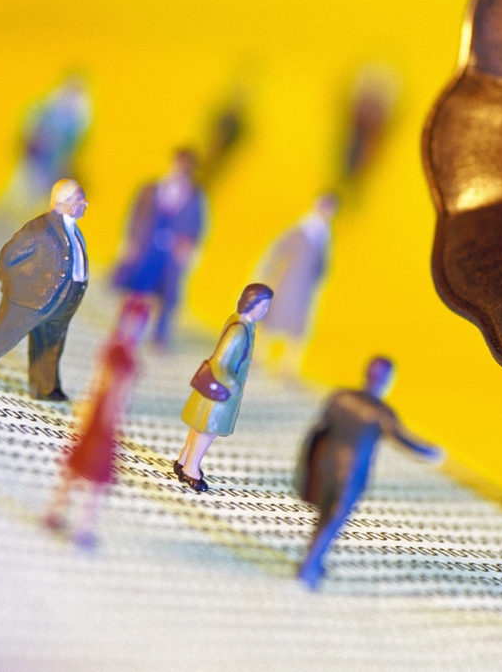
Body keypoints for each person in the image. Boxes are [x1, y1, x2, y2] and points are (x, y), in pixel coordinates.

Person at [295, 357, 443, 588]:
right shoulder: (380, 412)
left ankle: (313, 561)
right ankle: (309, 568)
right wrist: (431, 452)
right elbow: (402, 438)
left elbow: (319, 430)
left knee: (323, 517)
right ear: (386, 381)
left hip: (326, 466)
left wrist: (311, 463)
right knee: (333, 521)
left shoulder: (340, 397)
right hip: (351, 475)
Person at [0, 179, 89, 400]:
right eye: (79, 199)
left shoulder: (76, 231)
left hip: (62, 306)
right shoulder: (41, 227)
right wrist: (20, 290)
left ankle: (46, 387)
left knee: (50, 348)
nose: (85, 203)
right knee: (7, 334)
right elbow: (9, 257)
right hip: (33, 301)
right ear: (62, 202)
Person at [44, 296, 150, 548]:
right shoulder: (114, 348)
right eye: (134, 321)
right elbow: (100, 384)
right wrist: (89, 417)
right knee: (82, 473)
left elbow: (123, 394)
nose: (137, 328)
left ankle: (75, 521)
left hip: (108, 422)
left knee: (91, 478)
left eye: (141, 323)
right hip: (99, 419)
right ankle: (63, 516)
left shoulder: (127, 351)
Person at [175, 283, 273, 492]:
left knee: (199, 426)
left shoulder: (241, 323)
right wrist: (233, 385)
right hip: (220, 390)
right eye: (262, 306)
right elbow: (220, 362)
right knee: (207, 430)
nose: (264, 311)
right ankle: (191, 469)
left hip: (216, 388)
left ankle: (184, 459)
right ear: (251, 303)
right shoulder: (239, 330)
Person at [113, 148, 206, 347]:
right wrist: (129, 241)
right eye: (179, 164)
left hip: (170, 253)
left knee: (167, 295)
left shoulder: (195, 197)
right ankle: (124, 326)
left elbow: (197, 226)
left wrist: (190, 249)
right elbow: (136, 216)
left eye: (186, 166)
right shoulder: (152, 188)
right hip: (147, 246)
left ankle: (160, 334)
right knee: (138, 288)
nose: (181, 169)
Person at [256, 192, 338, 376]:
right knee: (272, 321)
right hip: (287, 283)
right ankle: (259, 357)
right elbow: (278, 250)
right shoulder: (303, 228)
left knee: (298, 330)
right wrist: (268, 273)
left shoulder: (325, 235)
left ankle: (287, 367)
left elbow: (323, 266)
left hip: (304, 289)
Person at [0, 75, 92, 217]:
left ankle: (23, 223)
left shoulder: (78, 121)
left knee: (36, 197)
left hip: (50, 165)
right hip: (35, 155)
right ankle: (4, 216)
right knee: (18, 188)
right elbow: (32, 122)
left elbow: (71, 150)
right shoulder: (52, 105)